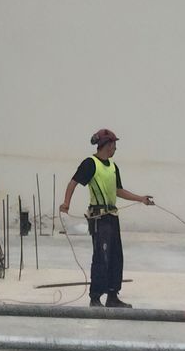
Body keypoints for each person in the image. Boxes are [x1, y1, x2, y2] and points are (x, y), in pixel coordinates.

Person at [58, 127, 154, 308]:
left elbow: (118, 190)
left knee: (116, 256)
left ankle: (112, 295)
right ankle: (95, 297)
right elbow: (74, 182)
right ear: (106, 145)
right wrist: (66, 203)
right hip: (99, 218)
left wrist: (141, 199)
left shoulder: (113, 167)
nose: (115, 148)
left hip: (112, 216)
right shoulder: (90, 163)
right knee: (101, 256)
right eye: (114, 144)